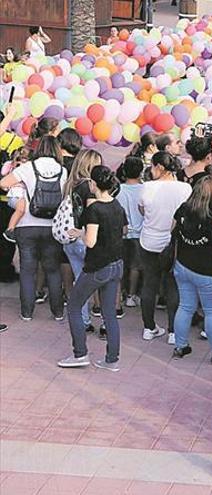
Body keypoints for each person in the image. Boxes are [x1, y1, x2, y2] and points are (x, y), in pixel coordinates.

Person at [56, 166, 126, 371]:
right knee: (109, 313)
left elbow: (91, 242)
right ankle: (112, 360)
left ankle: (80, 354)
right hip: (116, 265)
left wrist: (79, 233)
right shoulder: (117, 206)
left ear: (94, 184)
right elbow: (122, 229)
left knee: (75, 306)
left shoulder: (94, 210)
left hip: (97, 267)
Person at [0, 136, 67, 321]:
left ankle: (27, 312)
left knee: (28, 270)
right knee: (52, 269)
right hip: (52, 227)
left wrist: (21, 185)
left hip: (26, 225)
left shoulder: (27, 167)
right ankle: (58, 312)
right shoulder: (63, 171)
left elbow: (3, 183)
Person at [171, 176, 212, 362]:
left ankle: (180, 346)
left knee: (185, 306)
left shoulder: (183, 209)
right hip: (208, 272)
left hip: (183, 265)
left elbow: (173, 230)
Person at [139, 151, 190, 343]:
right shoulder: (185, 188)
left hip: (148, 241)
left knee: (149, 284)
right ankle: (173, 332)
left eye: (152, 166)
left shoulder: (147, 187)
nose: (150, 171)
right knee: (172, 287)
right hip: (173, 243)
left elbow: (142, 209)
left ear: (159, 167)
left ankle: (148, 327)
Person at [58, 150, 103, 330]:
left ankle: (83, 321)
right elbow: (93, 214)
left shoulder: (70, 184)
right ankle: (104, 321)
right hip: (85, 237)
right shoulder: (89, 188)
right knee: (100, 281)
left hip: (70, 238)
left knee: (80, 281)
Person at [116, 157, 144, 309]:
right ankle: (131, 296)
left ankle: (119, 294)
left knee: (121, 265)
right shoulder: (145, 189)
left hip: (122, 232)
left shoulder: (119, 189)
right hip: (139, 234)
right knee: (135, 266)